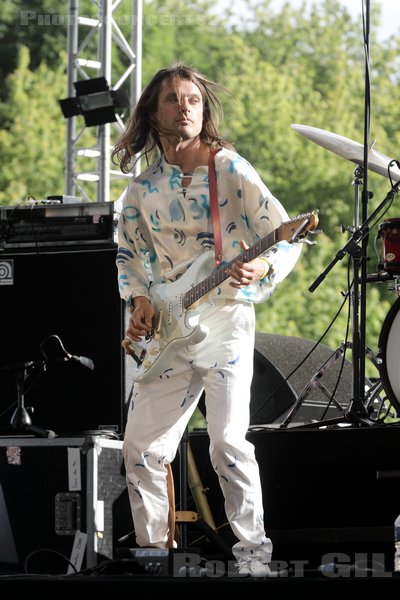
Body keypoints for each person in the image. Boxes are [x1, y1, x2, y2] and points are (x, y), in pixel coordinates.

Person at [112, 63, 302, 577]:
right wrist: (139, 301)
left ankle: (253, 560)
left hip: (225, 324)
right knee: (141, 451)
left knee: (227, 444)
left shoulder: (230, 170)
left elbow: (288, 233)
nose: (185, 107)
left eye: (193, 99)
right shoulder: (140, 190)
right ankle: (154, 557)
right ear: (154, 112)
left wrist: (263, 264)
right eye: (173, 99)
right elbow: (127, 255)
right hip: (167, 333)